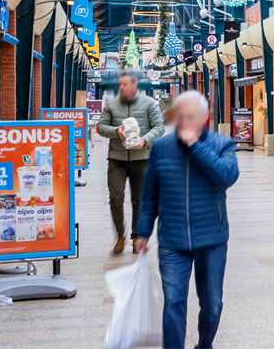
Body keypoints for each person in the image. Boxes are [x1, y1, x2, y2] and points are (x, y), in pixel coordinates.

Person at [135, 90, 238, 349]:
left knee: (212, 305)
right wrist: (143, 231)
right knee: (173, 303)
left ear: (205, 117)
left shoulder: (222, 144)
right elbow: (149, 194)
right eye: (180, 116)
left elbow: (227, 177)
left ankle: (204, 345)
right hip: (173, 241)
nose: (184, 122)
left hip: (212, 239)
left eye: (191, 116)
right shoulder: (161, 147)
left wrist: (196, 146)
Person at [96, 71, 165, 255]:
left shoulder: (148, 103)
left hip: (141, 159)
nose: (122, 87)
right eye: (120, 84)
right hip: (116, 159)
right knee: (116, 198)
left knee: (139, 200)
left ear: (135, 85)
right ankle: (120, 235)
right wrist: (115, 131)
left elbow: (159, 127)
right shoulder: (111, 104)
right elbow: (100, 127)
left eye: (125, 84)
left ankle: (136, 236)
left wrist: (145, 140)